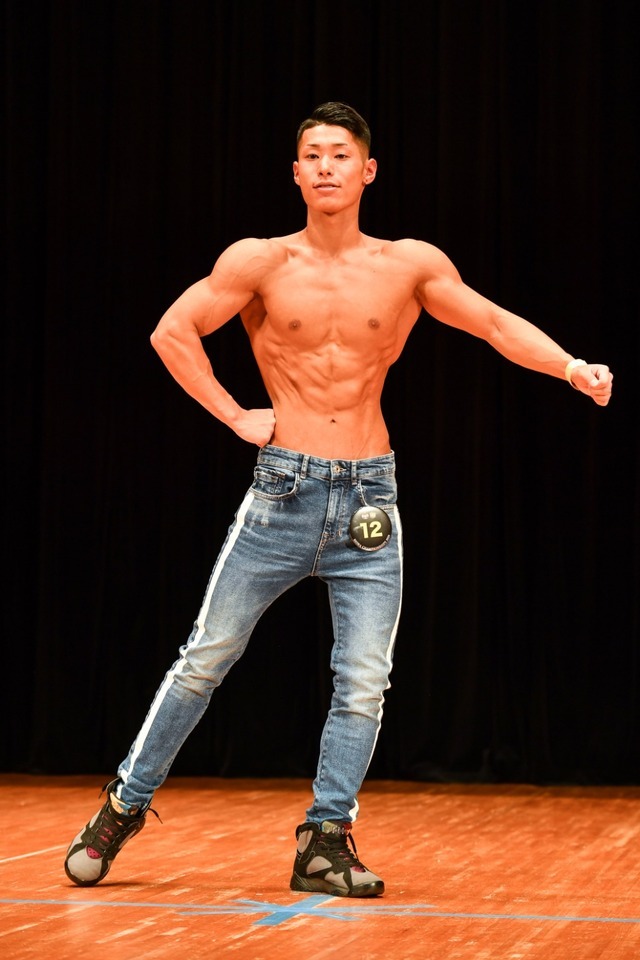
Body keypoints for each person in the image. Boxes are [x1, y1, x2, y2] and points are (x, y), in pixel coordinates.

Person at [64, 101, 613, 898]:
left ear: (368, 170)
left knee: (362, 680)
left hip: (367, 498)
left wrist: (569, 366)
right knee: (205, 659)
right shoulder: (259, 260)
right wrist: (234, 414)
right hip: (283, 490)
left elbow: (494, 324)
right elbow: (172, 331)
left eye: (341, 154)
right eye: (313, 155)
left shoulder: (407, 264)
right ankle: (124, 804)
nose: (326, 166)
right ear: (296, 172)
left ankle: (326, 839)